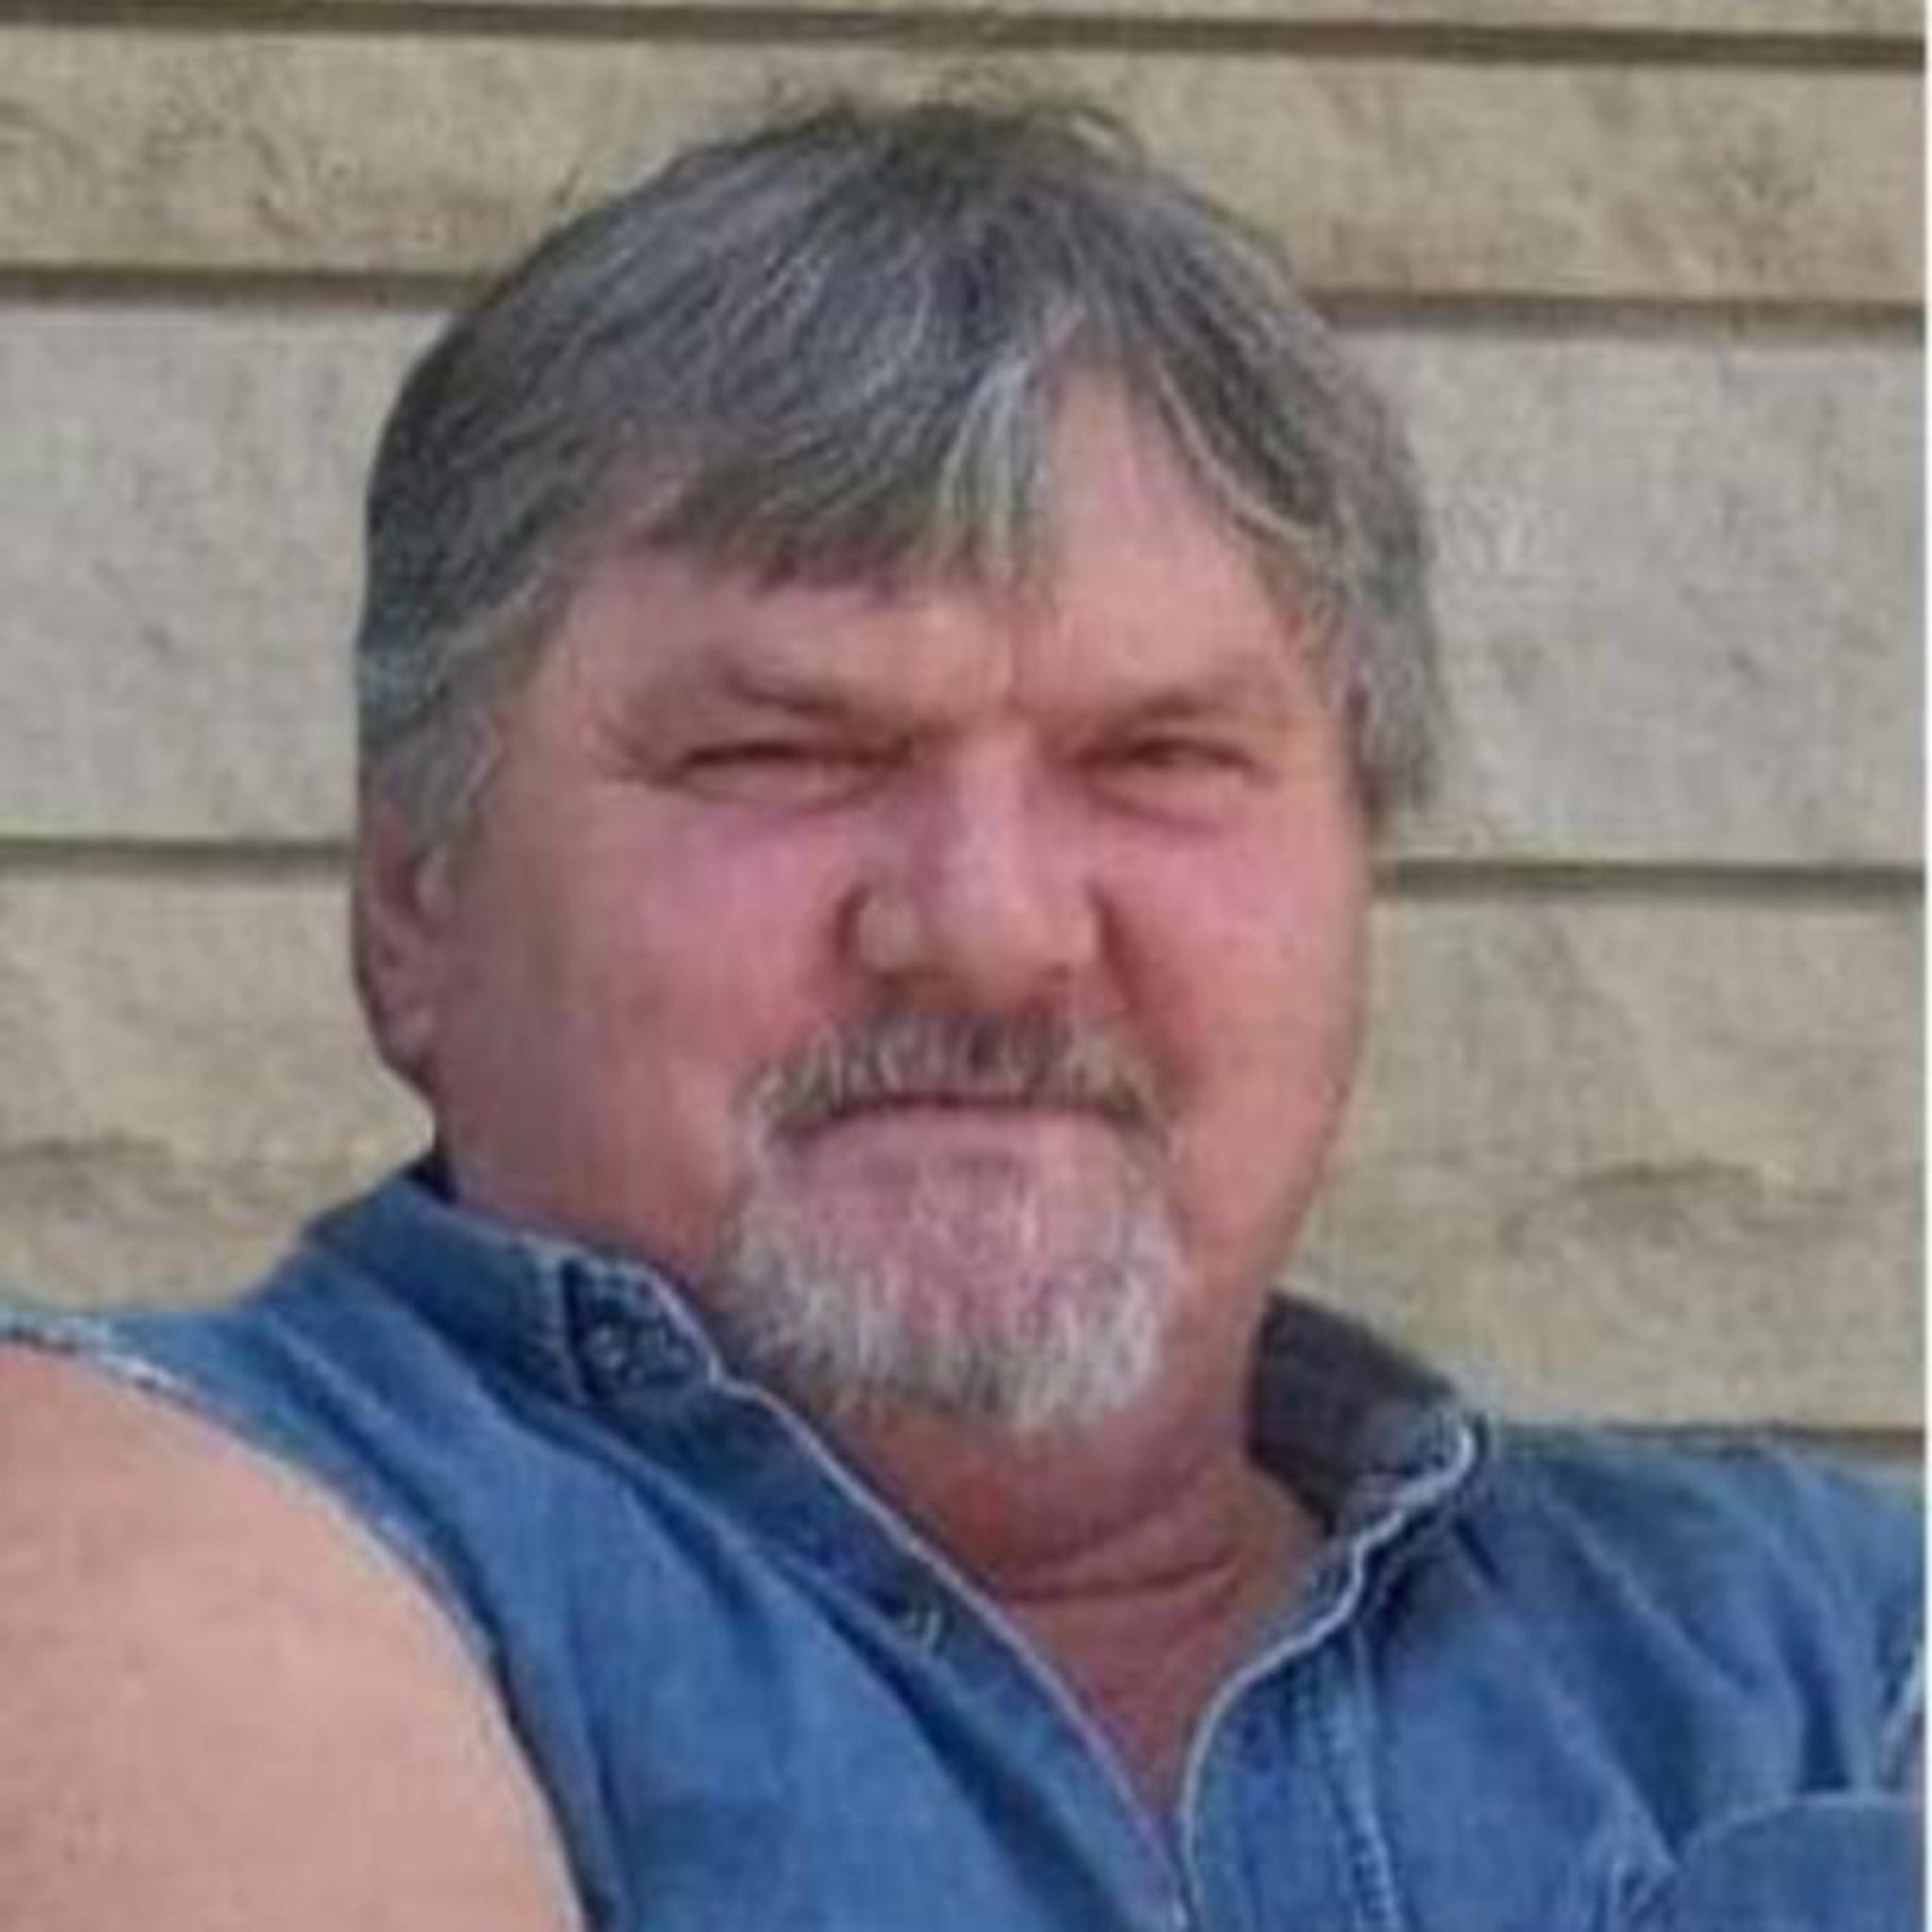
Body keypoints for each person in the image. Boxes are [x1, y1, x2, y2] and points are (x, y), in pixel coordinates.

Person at [0, 95, 1918, 1932]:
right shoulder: (139, 1532)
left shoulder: (1833, 1646)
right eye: (782, 753)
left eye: (1157, 756)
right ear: (417, 901)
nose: (992, 932)